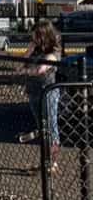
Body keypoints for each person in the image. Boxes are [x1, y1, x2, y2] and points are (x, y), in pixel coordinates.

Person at [19, 18, 61, 170]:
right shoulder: (36, 50)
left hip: (47, 92)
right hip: (34, 91)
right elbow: (21, 63)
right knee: (41, 126)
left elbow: (40, 70)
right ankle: (45, 161)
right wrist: (30, 49)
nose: (34, 39)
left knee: (50, 126)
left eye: (36, 36)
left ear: (44, 36)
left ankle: (52, 162)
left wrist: (26, 71)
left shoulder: (53, 52)